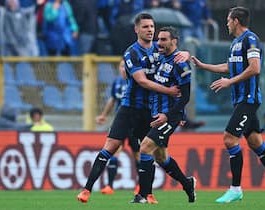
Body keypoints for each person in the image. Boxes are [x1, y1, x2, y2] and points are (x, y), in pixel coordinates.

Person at [77, 13, 189, 204]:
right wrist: (169, 91)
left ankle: (156, 192)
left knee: (158, 154)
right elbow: (142, 81)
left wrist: (186, 54)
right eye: (145, 27)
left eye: (152, 26)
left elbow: (176, 55)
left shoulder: (158, 49)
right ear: (136, 29)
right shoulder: (131, 53)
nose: (150, 30)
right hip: (129, 108)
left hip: (151, 111)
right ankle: (87, 189)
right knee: (111, 147)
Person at [191, 6, 265, 204]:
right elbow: (229, 66)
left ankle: (235, 188)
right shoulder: (235, 43)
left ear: (236, 21)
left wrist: (230, 81)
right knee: (255, 142)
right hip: (240, 99)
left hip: (249, 99)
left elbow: (255, 68)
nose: (226, 23)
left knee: (229, 139)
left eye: (228, 20)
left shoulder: (250, 39)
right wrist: (204, 66)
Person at [131, 26, 196, 204]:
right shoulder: (160, 58)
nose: (158, 43)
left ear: (174, 41)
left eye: (163, 39)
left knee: (144, 147)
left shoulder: (181, 63)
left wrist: (168, 116)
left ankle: (143, 195)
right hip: (156, 113)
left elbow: (185, 97)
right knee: (161, 157)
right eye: (158, 39)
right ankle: (187, 184)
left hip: (169, 116)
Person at [96, 59, 140, 195]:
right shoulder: (117, 82)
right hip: (120, 123)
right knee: (114, 151)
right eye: (121, 66)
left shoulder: (137, 81)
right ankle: (110, 186)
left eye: (125, 66)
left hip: (134, 124)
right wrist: (103, 115)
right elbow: (113, 99)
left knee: (137, 155)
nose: (123, 69)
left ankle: (139, 185)